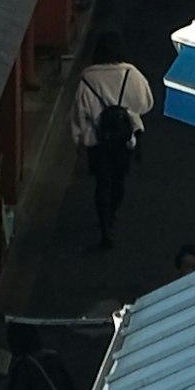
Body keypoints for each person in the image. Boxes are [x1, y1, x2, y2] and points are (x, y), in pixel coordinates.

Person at [73, 49, 154, 247]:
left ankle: (104, 226)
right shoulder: (131, 74)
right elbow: (146, 104)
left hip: (99, 140)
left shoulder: (87, 79)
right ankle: (112, 215)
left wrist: (79, 139)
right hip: (123, 139)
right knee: (119, 180)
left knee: (102, 183)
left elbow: (79, 113)